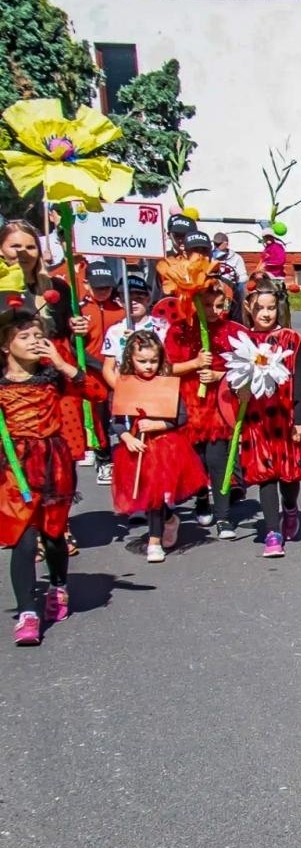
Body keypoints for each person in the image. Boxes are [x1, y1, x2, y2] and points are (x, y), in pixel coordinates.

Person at [0, 293, 84, 645]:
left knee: (52, 535)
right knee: (22, 537)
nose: (34, 341)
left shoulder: (53, 377)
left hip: (53, 463)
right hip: (12, 466)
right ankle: (27, 613)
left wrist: (63, 363)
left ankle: (59, 585)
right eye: (24, 336)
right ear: (5, 347)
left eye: (38, 334)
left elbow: (92, 391)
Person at [109, 330, 206, 563]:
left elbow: (181, 417)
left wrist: (158, 423)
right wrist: (126, 438)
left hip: (166, 446)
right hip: (138, 446)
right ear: (130, 360)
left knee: (158, 493)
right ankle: (170, 519)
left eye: (154, 361)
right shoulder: (125, 384)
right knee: (149, 493)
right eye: (142, 361)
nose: (149, 366)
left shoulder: (166, 384)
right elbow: (116, 420)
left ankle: (154, 540)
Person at [168, 280, 246, 537]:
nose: (214, 311)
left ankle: (224, 517)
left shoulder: (233, 331)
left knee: (218, 461)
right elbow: (166, 368)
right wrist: (195, 363)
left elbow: (245, 370)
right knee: (196, 462)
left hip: (219, 407)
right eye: (207, 305)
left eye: (219, 305)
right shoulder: (179, 330)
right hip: (188, 405)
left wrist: (218, 375)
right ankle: (202, 498)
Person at [237, 282, 301, 557]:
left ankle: (290, 509)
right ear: (249, 309)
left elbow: (299, 383)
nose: (266, 314)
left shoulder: (291, 339)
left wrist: (299, 420)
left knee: (289, 477)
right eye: (260, 308)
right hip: (257, 422)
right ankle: (272, 532)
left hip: (286, 419)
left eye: (271, 307)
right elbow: (236, 381)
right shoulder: (243, 341)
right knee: (265, 476)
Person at [80, 261, 125, 485]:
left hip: (117, 372)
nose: (102, 291)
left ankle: (124, 455)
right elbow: (74, 345)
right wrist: (96, 365)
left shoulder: (120, 310)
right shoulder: (80, 311)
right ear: (86, 284)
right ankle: (103, 459)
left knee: (118, 414)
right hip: (93, 373)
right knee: (99, 418)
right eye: (98, 287)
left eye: (106, 287)